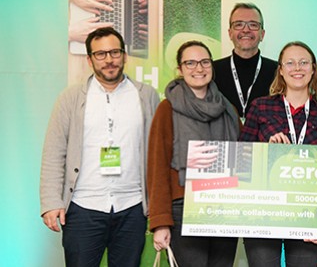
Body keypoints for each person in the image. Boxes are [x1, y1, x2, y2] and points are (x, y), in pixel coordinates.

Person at [40, 27, 160, 266]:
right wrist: (51, 202)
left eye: (115, 52)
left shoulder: (146, 95)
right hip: (83, 208)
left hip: (132, 207)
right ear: (89, 59)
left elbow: (158, 153)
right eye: (100, 54)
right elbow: (54, 151)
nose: (109, 60)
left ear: (125, 55)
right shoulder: (71, 98)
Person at [239, 41, 317, 267]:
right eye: (290, 63)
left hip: (308, 215)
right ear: (281, 70)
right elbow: (242, 158)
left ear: (313, 69)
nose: (297, 68)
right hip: (263, 212)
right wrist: (266, 150)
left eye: (304, 63)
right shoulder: (260, 107)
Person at [147, 41, 241, 267]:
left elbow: (242, 158)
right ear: (180, 69)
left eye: (204, 62)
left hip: (224, 206)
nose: (198, 68)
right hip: (183, 209)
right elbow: (157, 167)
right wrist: (160, 222)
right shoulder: (166, 108)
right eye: (190, 62)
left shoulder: (228, 109)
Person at [213, 2, 278, 120]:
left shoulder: (279, 71)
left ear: (262, 34)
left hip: (265, 138)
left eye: (253, 25)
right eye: (239, 24)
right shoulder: (212, 71)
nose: (246, 30)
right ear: (230, 33)